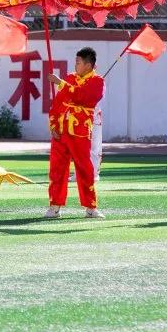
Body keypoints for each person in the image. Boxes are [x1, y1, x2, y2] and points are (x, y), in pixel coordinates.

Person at [45, 47, 105, 219]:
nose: (75, 65)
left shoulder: (97, 81)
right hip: (61, 131)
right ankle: (54, 206)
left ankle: (90, 207)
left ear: (88, 65)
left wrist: (61, 83)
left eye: (78, 62)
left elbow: (83, 97)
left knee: (84, 169)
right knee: (56, 169)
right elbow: (58, 102)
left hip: (79, 132)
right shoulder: (71, 78)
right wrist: (54, 125)